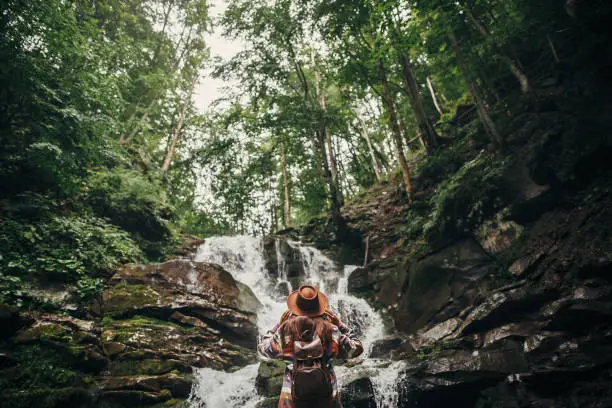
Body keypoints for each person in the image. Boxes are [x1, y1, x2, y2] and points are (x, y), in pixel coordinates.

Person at [258, 284, 364, 408]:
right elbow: (357, 349)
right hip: (326, 399)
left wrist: (278, 326)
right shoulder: (332, 330)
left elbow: (264, 350)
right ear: (318, 307)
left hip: (292, 401)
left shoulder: (285, 331)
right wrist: (340, 324)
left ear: (295, 308)